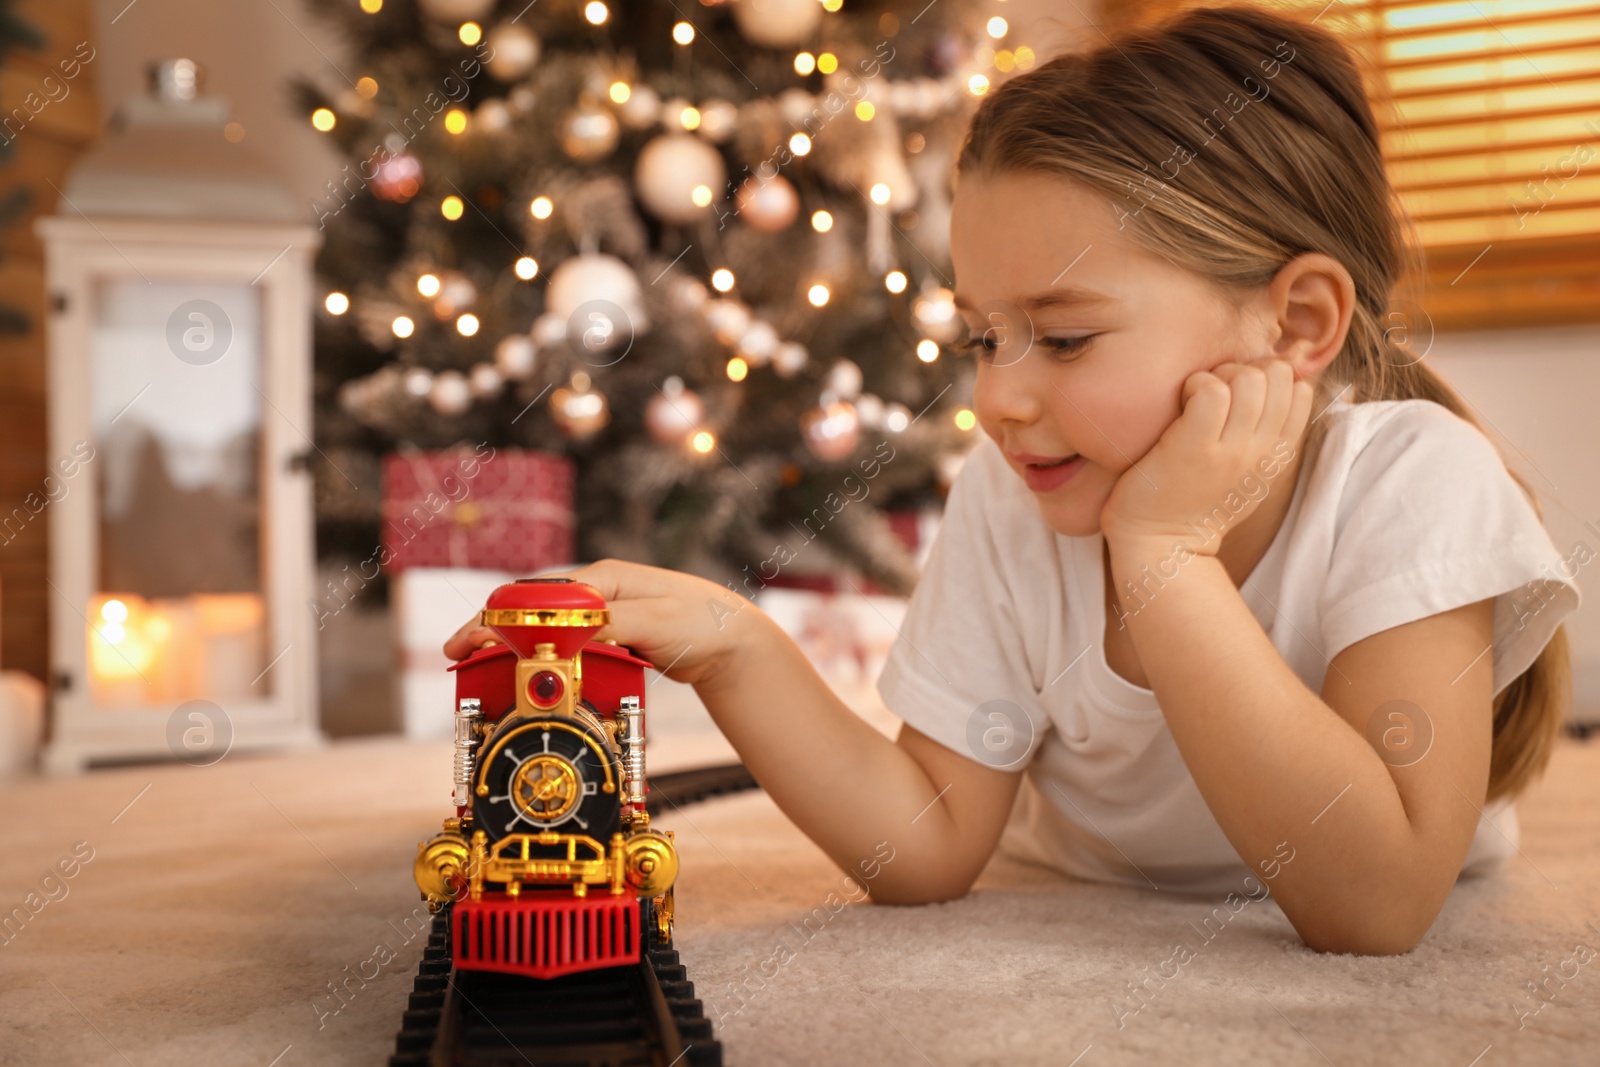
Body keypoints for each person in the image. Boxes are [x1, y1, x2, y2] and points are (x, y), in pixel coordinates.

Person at [446, 4, 1581, 955]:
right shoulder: (1017, 494)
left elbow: (1375, 906)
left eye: (1067, 337)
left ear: (1295, 324)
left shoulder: (1411, 479)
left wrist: (1166, 558)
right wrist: (736, 643)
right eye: (983, 339)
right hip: (1075, 874)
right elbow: (925, 843)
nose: (996, 402)